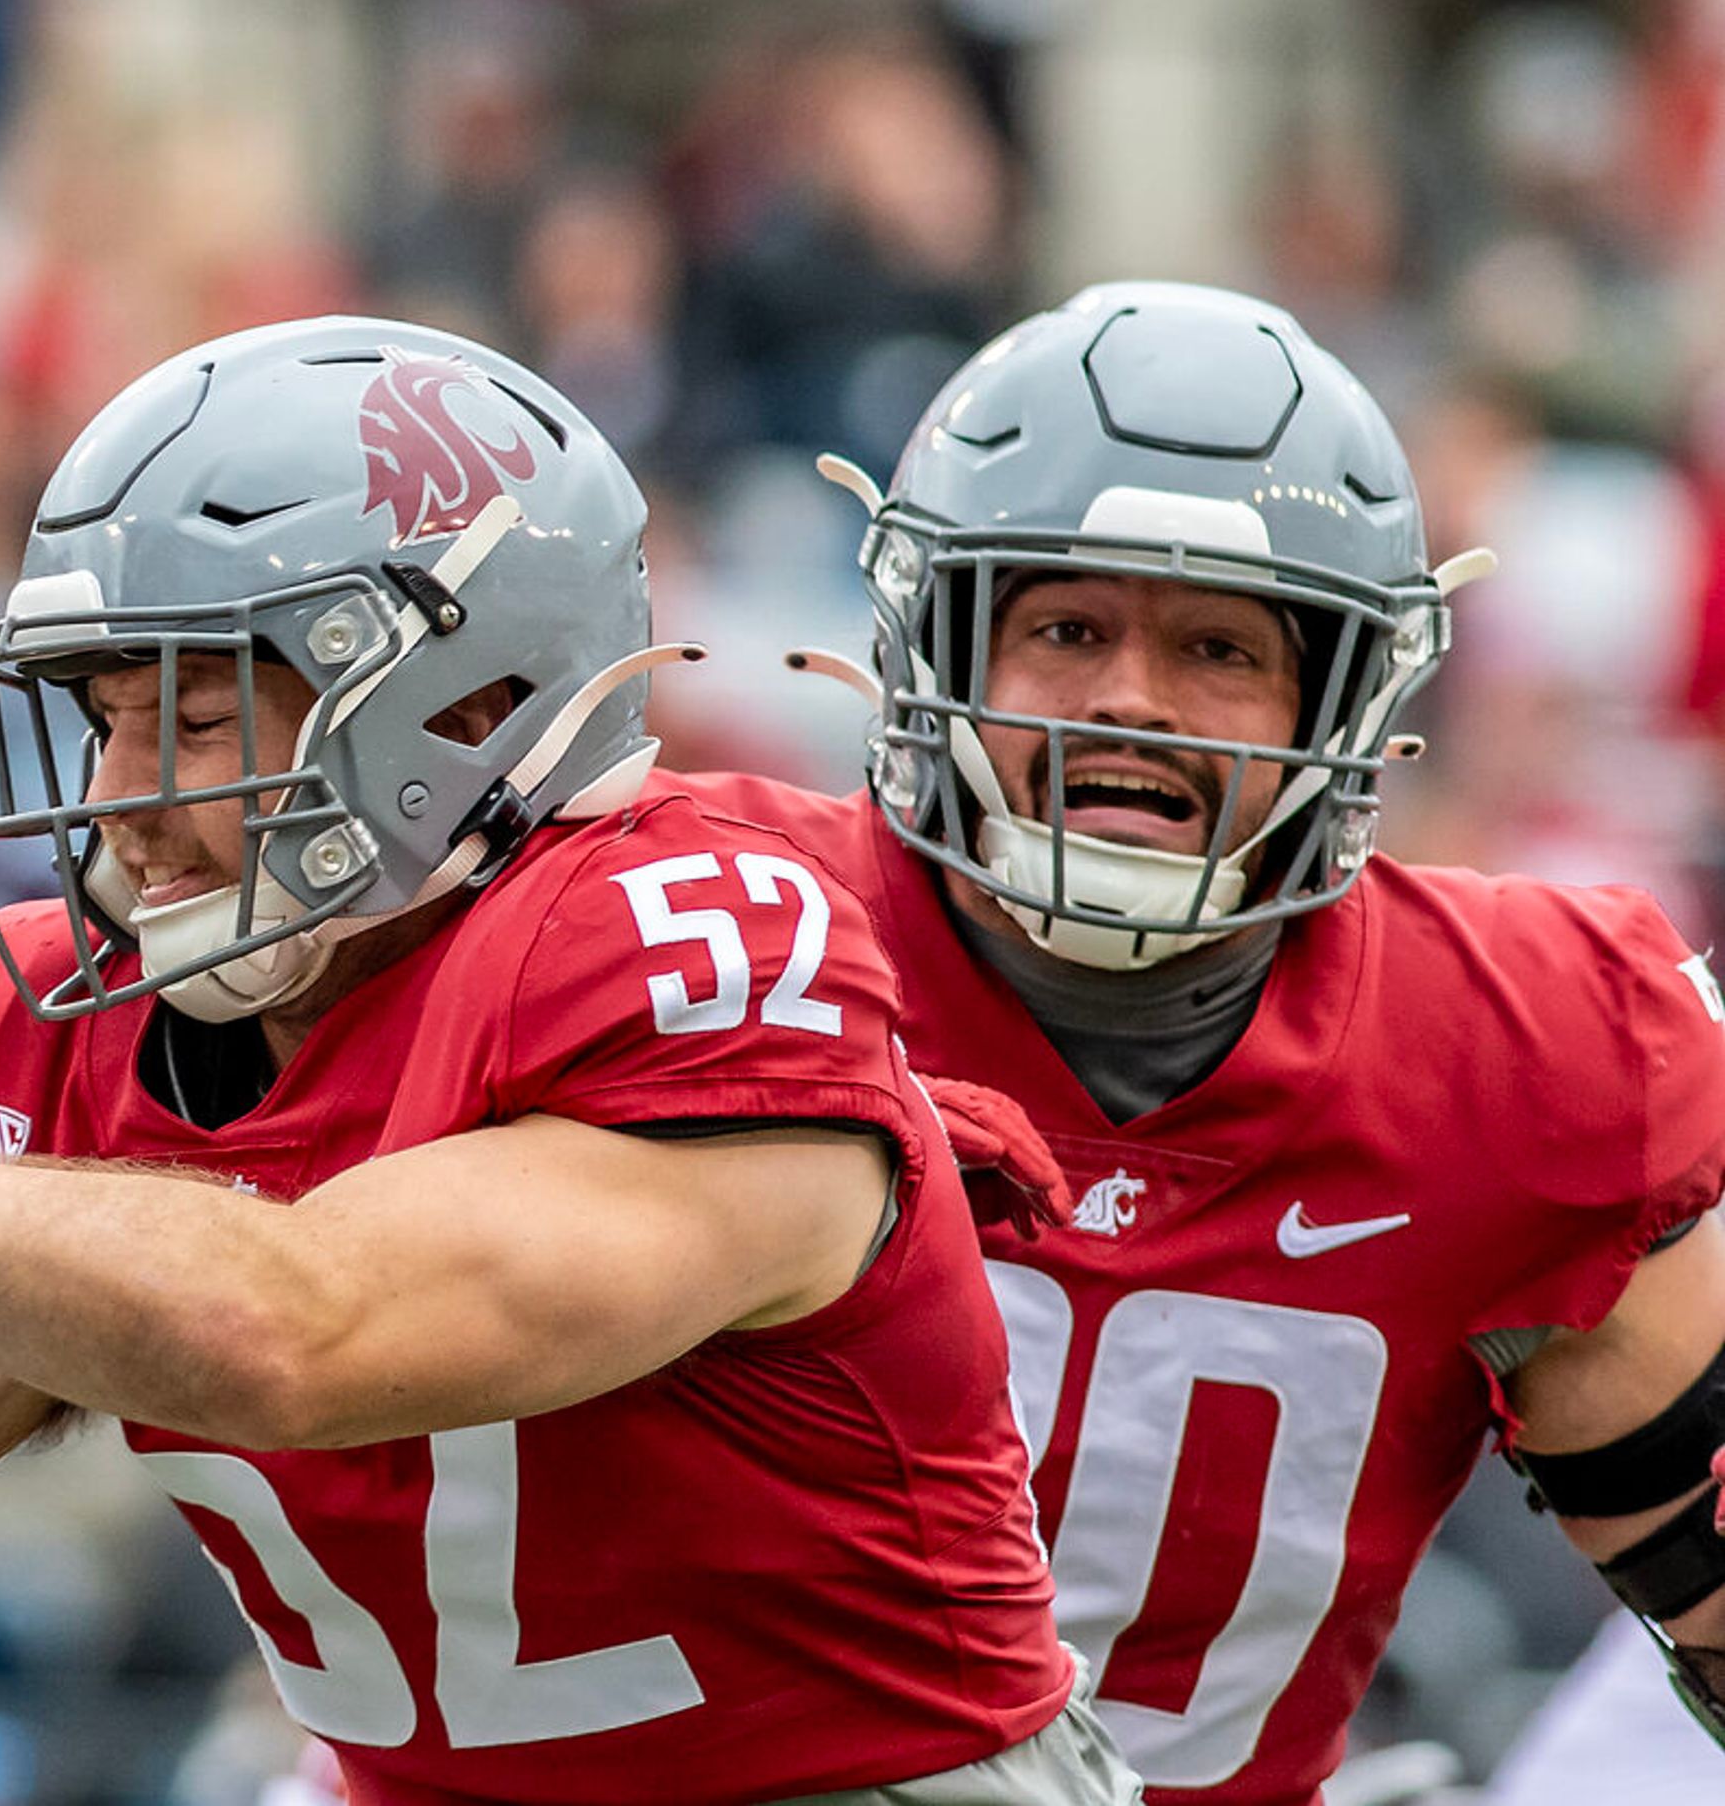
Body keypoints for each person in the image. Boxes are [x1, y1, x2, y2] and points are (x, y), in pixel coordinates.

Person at [0, 317, 1143, 1806]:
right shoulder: (44, 1023)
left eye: (199, 711)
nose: (120, 795)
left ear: (472, 706)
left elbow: (302, 1327)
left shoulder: (687, 937)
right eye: (106, 712)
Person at [668, 281, 1725, 1802]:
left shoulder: (1523, 1052)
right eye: (1068, 627)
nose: (1131, 702)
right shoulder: (708, 938)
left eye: (1222, 649)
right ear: (943, 650)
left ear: (1343, 706)